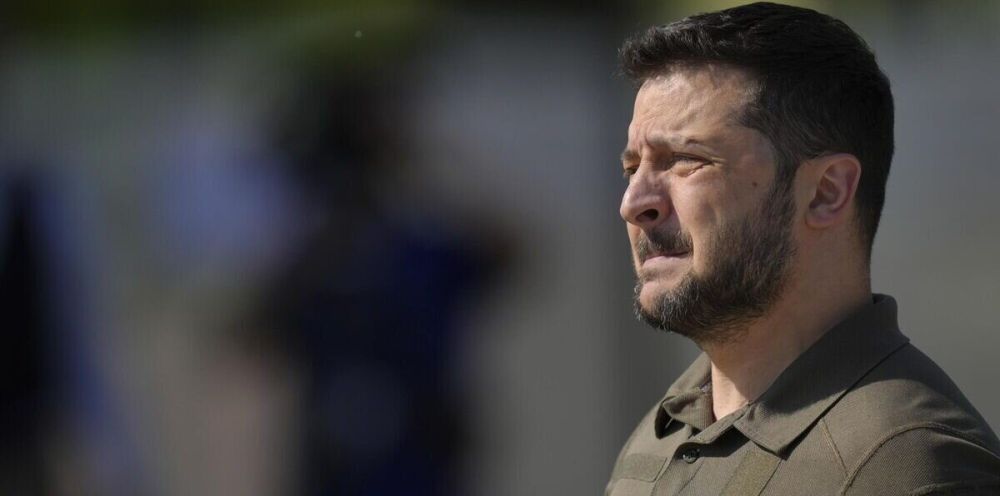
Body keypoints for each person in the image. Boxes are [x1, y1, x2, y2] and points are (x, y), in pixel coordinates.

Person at [607, 3, 1000, 495]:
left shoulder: (909, 465)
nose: (634, 203)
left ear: (826, 192)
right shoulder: (662, 436)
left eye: (686, 160)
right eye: (632, 169)